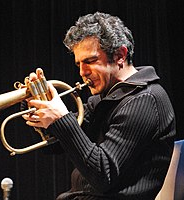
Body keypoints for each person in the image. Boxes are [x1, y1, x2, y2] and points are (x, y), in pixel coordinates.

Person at [22, 11, 176, 200]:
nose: (82, 72)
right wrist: (37, 107)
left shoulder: (145, 100)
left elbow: (103, 175)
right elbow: (55, 146)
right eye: (78, 64)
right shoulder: (102, 99)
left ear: (120, 55)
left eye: (90, 61)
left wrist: (62, 119)